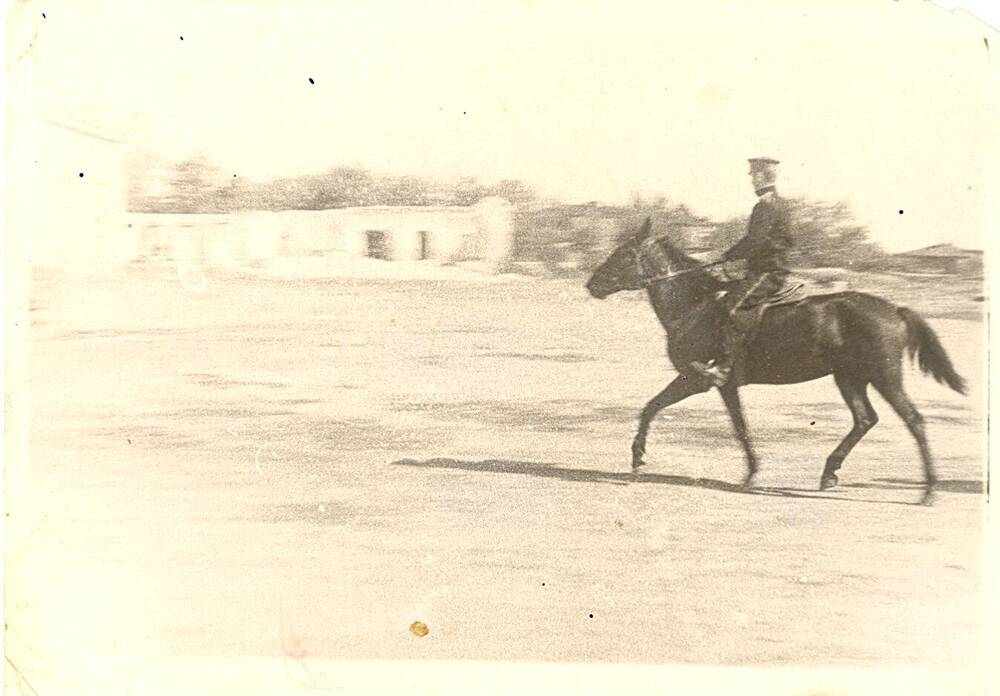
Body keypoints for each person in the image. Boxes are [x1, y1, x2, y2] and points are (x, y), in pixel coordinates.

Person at [690, 157, 794, 388]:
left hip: (769, 272)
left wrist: (726, 256)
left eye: (753, 175)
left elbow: (754, 241)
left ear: (761, 176)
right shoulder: (780, 203)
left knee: (735, 306)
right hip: (767, 267)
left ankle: (723, 367)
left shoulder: (766, 205)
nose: (751, 180)